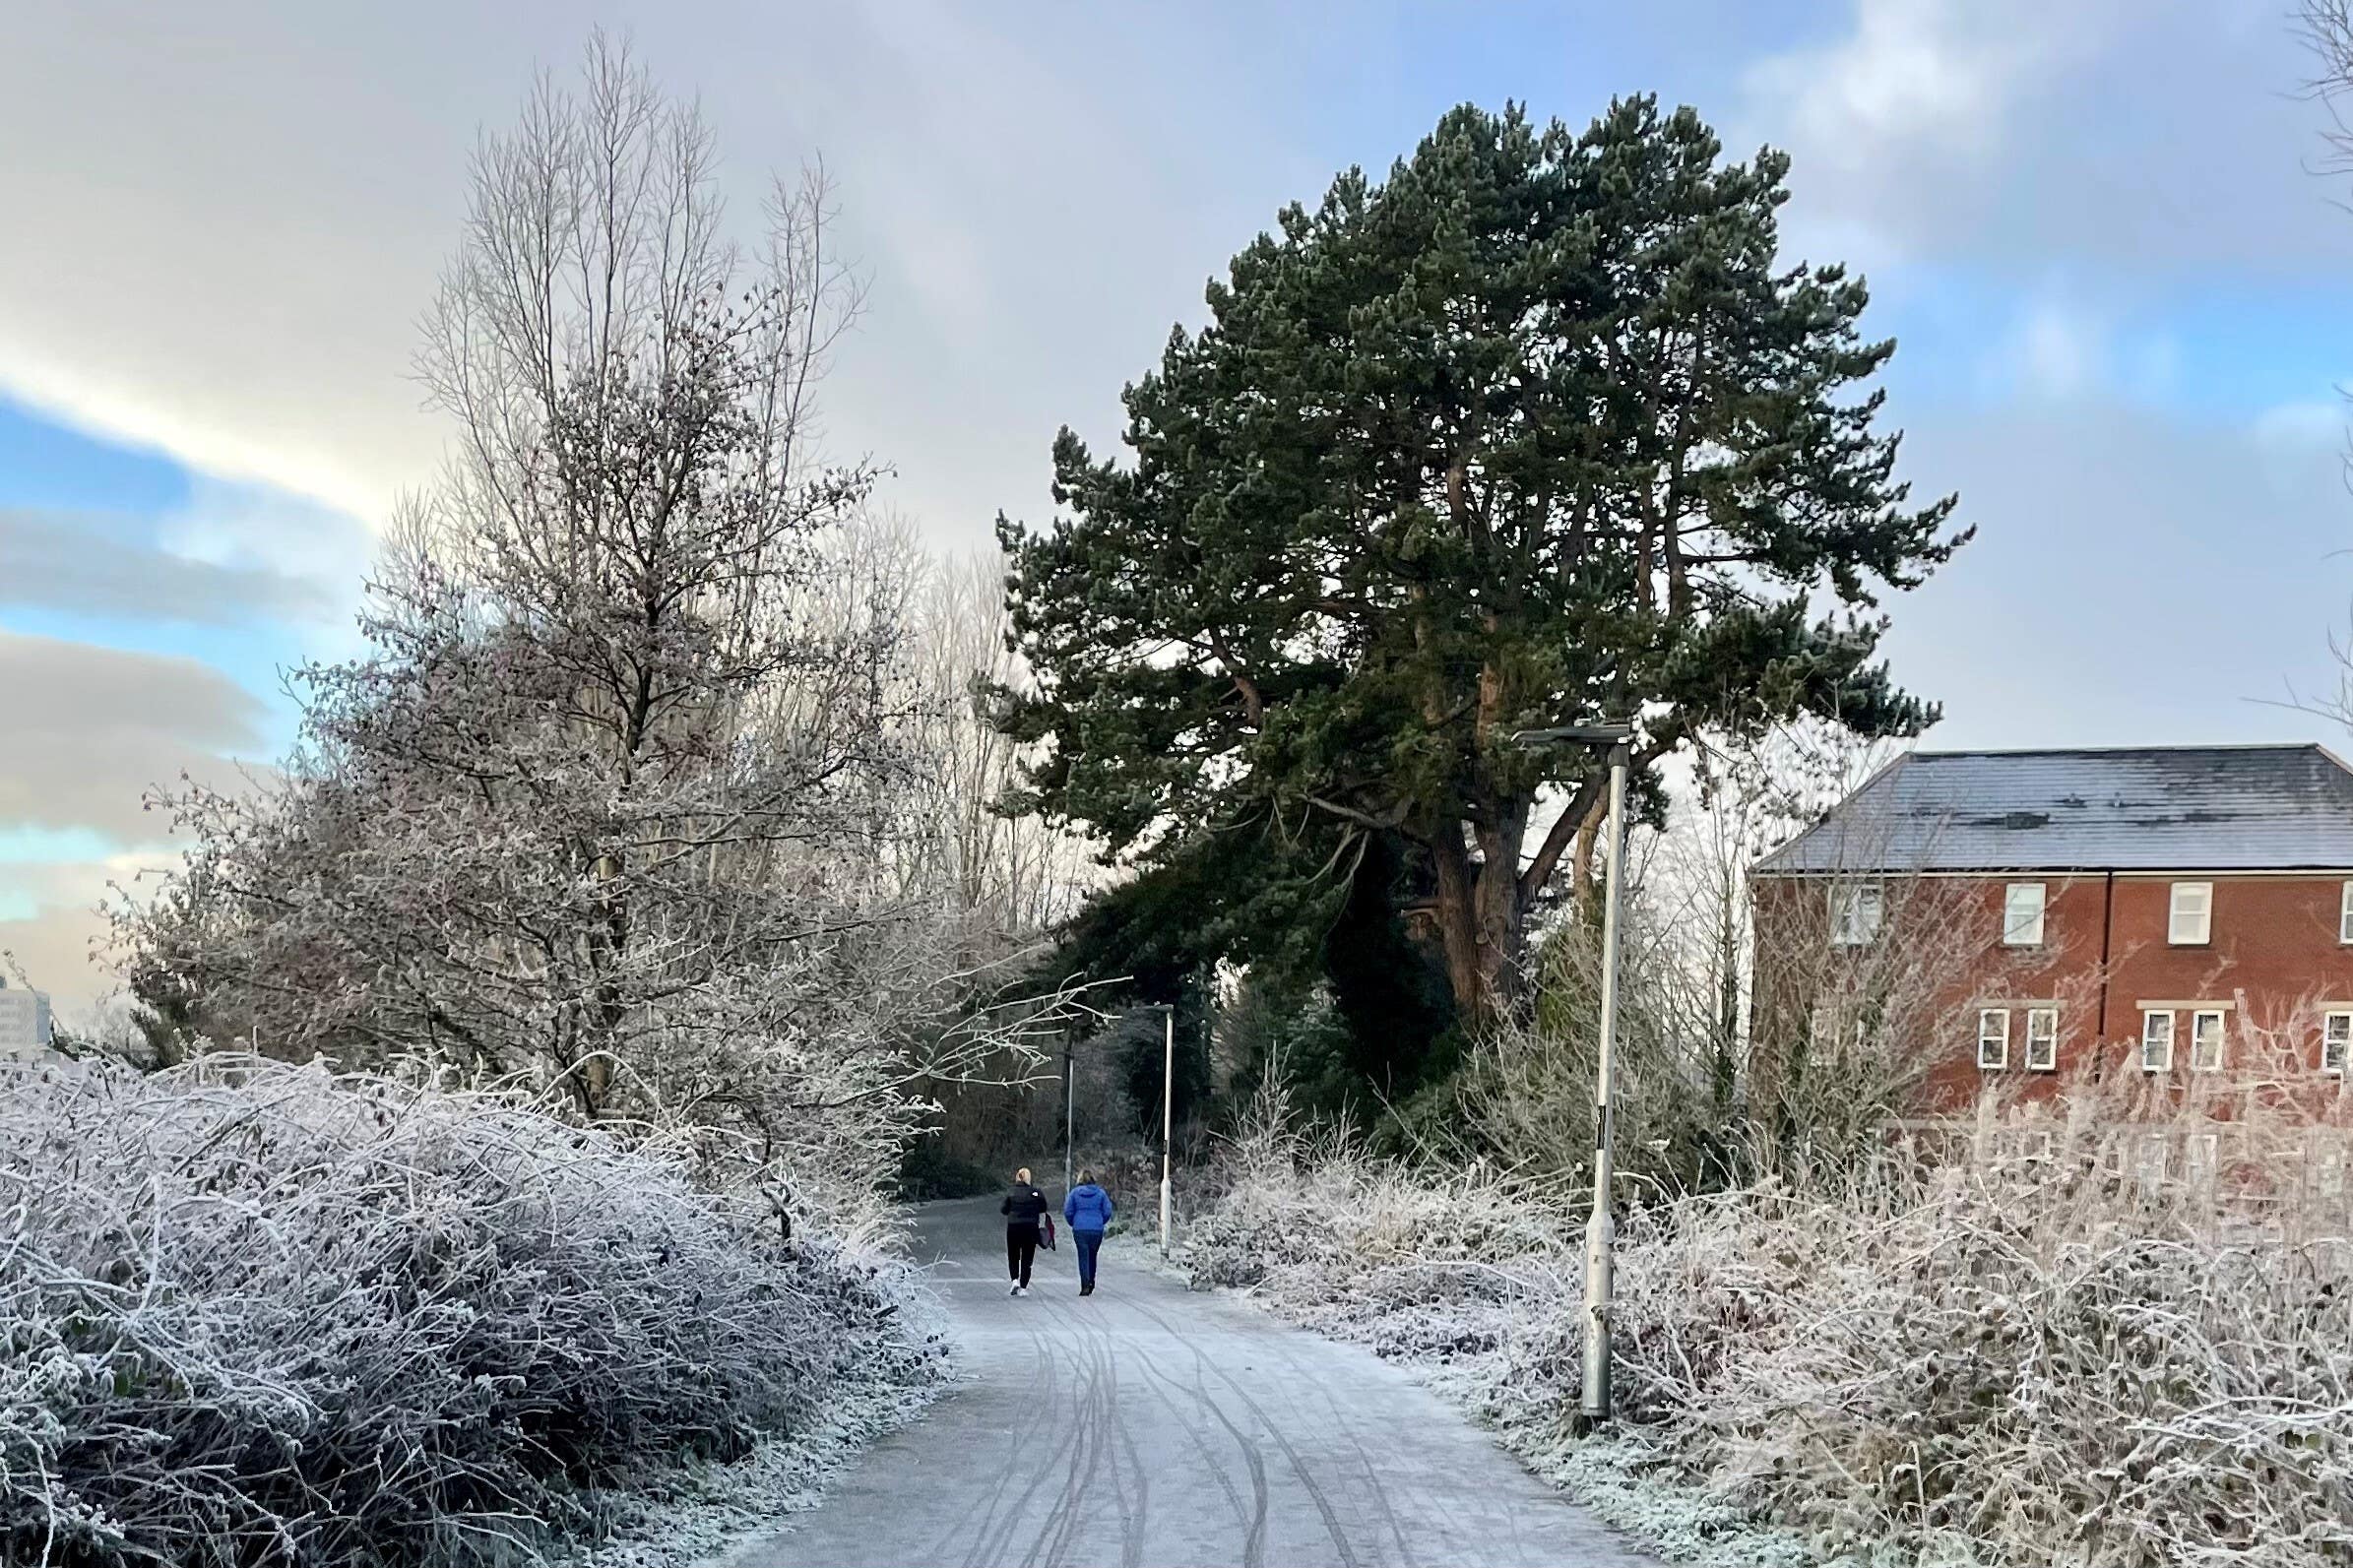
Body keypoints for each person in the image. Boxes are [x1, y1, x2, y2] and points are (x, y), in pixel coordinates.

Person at [1063, 1170, 1114, 1296]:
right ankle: (1091, 1281)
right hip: (1096, 1229)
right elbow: (1107, 1211)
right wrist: (1100, 1221)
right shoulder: (1101, 1193)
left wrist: (1073, 1222)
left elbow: (1068, 1211)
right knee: (1092, 1255)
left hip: (1080, 1229)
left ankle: (1085, 1285)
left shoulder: (1074, 1193)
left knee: (1083, 1257)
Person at [1000, 1167, 1048, 1295]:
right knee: (1027, 1256)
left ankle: (1014, 1280)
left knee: (1013, 1255)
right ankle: (1023, 1287)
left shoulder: (1011, 1192)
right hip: (1030, 1227)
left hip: (1014, 1227)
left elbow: (1004, 1210)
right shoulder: (1035, 1192)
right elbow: (1043, 1207)